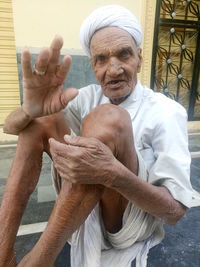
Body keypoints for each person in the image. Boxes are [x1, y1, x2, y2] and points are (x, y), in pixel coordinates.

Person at [0, 5, 193, 267]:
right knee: (42, 118)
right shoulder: (88, 96)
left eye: (124, 55)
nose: (113, 70)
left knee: (110, 119)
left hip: (126, 227)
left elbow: (175, 212)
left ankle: (38, 262)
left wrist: (114, 175)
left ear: (139, 57)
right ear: (92, 65)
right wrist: (29, 110)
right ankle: (3, 254)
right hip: (81, 211)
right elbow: (10, 128)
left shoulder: (167, 111)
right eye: (101, 59)